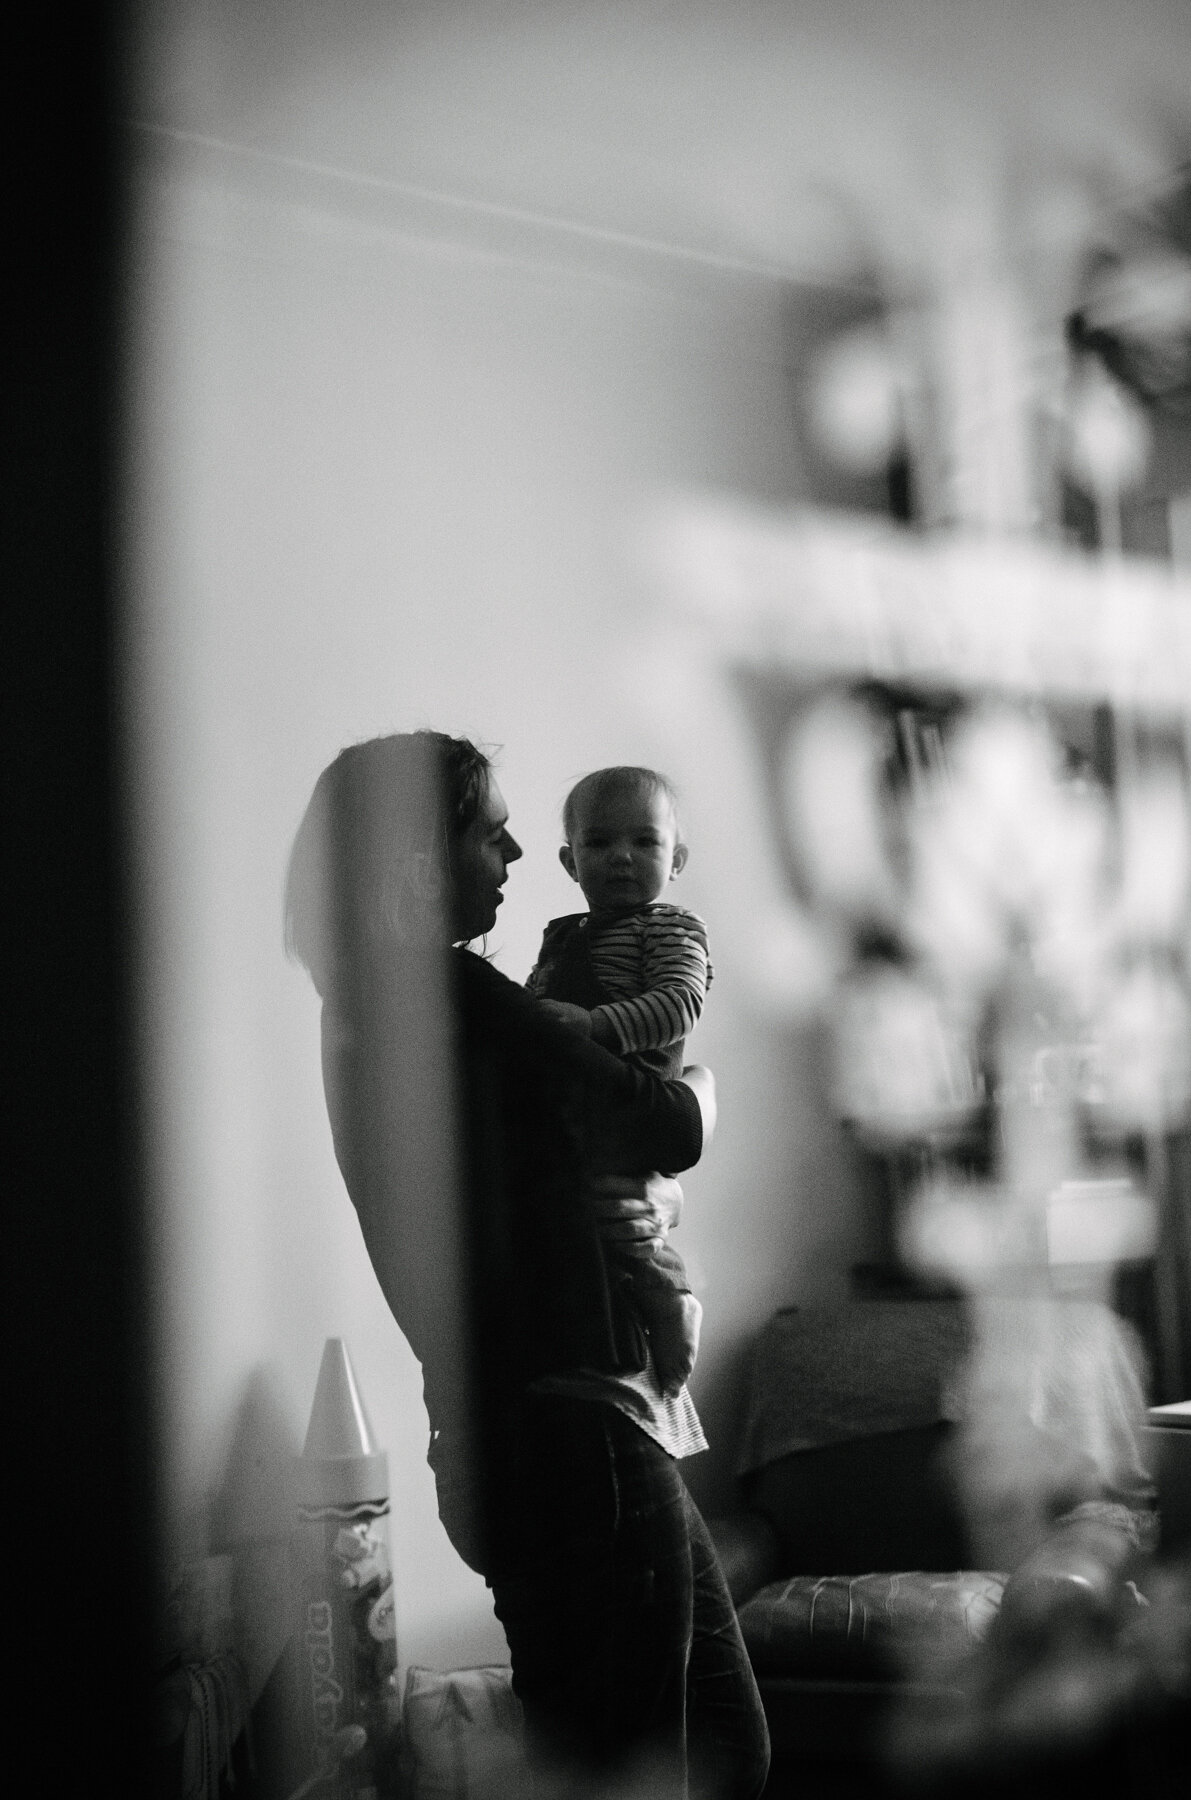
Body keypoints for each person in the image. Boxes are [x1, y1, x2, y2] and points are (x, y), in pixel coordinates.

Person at [285, 731, 769, 1800]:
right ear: (417, 855)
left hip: (517, 1432)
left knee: (714, 1748)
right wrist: (706, 1092)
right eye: (488, 827)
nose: (512, 851)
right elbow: (661, 1123)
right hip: (572, 1439)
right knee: (641, 1768)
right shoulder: (449, 999)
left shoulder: (366, 1010)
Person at [527, 765, 713, 1399]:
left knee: (624, 1208)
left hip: (632, 1084)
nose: (622, 859)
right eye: (599, 844)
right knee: (598, 1208)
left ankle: (673, 1294)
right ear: (569, 862)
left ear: (677, 856)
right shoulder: (564, 935)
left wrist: (594, 1026)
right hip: (577, 1099)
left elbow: (679, 1004)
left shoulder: (669, 929)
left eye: (645, 842)